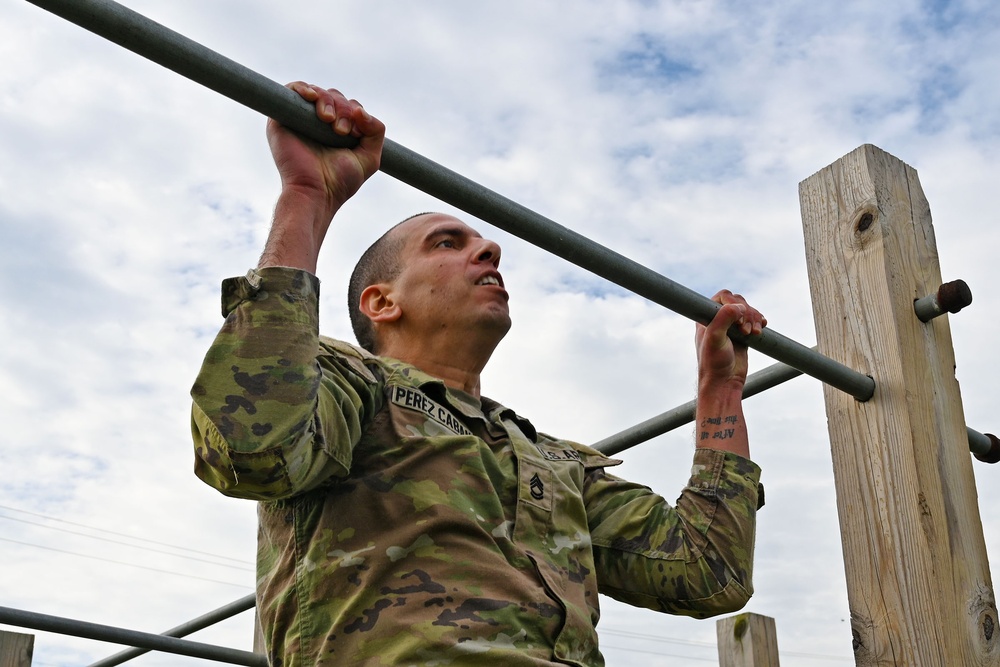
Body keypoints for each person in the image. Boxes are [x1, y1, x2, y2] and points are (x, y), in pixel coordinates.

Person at [191, 83, 766, 667]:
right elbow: (250, 444)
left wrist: (720, 389)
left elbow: (707, 572)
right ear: (382, 303)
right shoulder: (348, 386)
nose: (490, 248)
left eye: (487, 243)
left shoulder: (552, 461)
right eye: (448, 243)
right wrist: (307, 199)